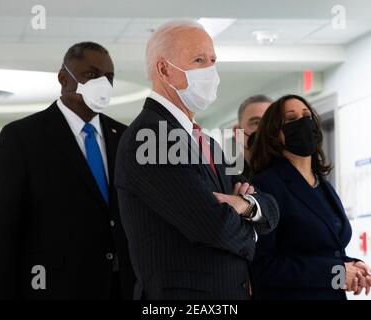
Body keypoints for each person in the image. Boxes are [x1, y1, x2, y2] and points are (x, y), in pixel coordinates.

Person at [115, 20, 279, 300]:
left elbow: (270, 207)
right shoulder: (149, 137)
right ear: (164, 69)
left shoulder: (208, 142)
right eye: (198, 60)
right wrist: (252, 230)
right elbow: (213, 225)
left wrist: (244, 204)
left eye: (213, 60)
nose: (210, 71)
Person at [0, 42, 135, 299]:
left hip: (121, 289)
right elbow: (1, 235)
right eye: (91, 74)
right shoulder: (22, 138)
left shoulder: (125, 138)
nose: (103, 84)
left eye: (109, 77)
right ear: (64, 78)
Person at [249, 94, 371, 300]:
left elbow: (326, 251)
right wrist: (337, 273)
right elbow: (263, 267)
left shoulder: (322, 183)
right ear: (275, 135)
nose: (303, 122)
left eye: (307, 116)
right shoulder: (266, 185)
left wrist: (351, 265)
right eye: (291, 119)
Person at [233, 95, 273, 178]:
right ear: (237, 132)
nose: (265, 129)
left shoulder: (293, 171)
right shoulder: (227, 180)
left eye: (271, 122)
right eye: (256, 123)